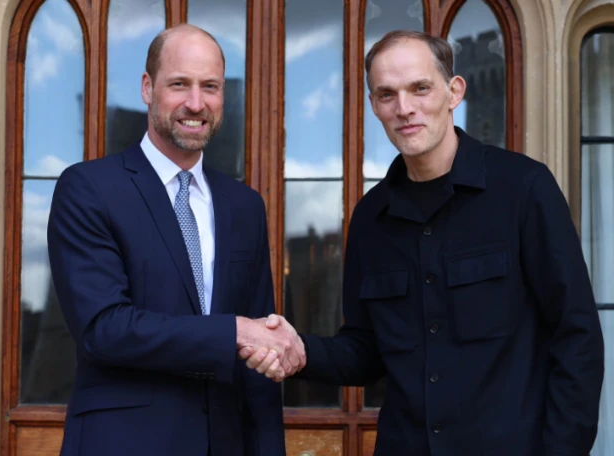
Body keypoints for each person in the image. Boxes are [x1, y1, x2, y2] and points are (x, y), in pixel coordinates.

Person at [241, 30, 605, 455]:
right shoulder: (371, 218)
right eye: (387, 94)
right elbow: (366, 351)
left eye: (420, 88)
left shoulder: (524, 189)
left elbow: (576, 337)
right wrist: (299, 351)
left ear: (454, 92)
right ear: (374, 105)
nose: (405, 109)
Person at [47, 24, 304, 456]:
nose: (196, 103)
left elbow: (258, 362)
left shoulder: (245, 206)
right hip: (123, 444)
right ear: (148, 88)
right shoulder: (88, 188)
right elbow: (104, 329)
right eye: (179, 84)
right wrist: (235, 331)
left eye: (210, 87)